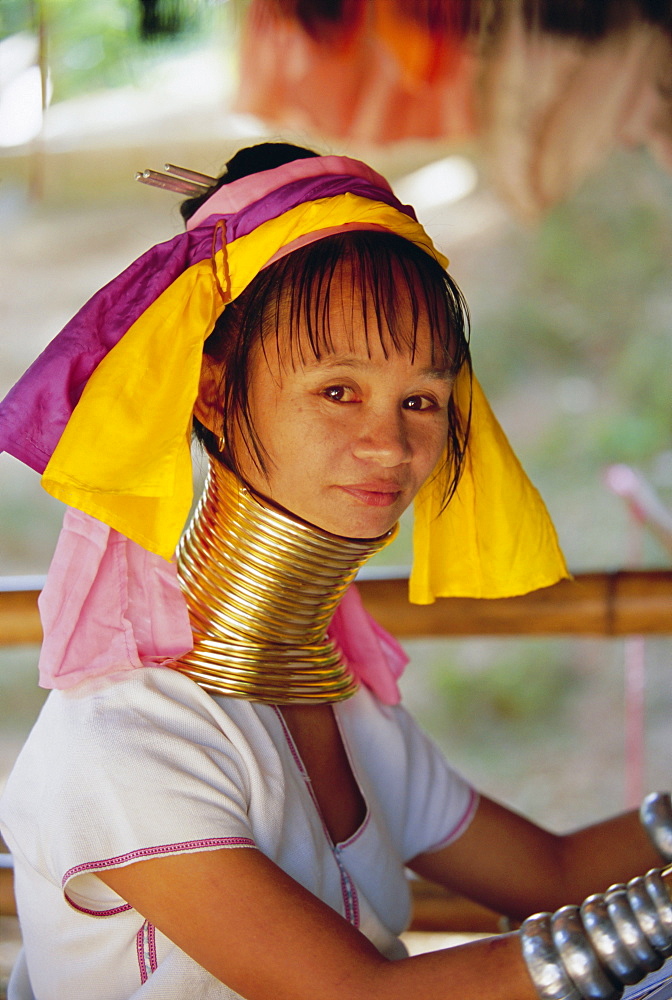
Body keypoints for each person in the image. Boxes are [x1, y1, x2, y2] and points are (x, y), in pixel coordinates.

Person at [1, 141, 672, 1000]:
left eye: (420, 401)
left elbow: (551, 870)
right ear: (212, 390)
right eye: (338, 390)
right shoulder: (123, 739)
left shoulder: (340, 700)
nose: (391, 445)